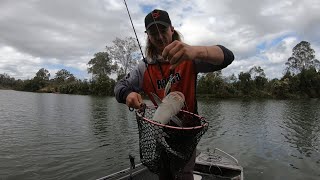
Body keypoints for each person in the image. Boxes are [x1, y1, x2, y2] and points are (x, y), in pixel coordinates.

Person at [114, 9, 234, 180]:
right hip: (160, 129)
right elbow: (119, 86)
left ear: (172, 29)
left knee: (184, 173)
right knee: (163, 172)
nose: (160, 37)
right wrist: (127, 94)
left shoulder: (190, 56)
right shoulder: (143, 67)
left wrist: (196, 51)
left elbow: (228, 56)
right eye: (153, 33)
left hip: (187, 132)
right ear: (148, 35)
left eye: (163, 31)